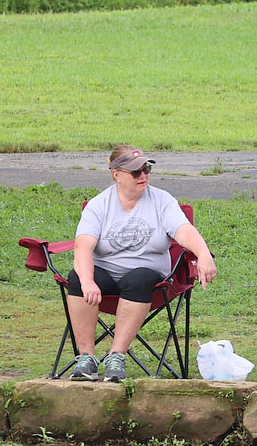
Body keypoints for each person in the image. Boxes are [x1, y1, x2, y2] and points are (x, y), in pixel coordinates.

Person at [67, 146, 216, 382]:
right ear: (116, 174)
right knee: (76, 278)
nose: (144, 176)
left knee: (138, 279)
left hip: (149, 280)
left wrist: (203, 253)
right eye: (136, 172)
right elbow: (83, 247)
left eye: (146, 169)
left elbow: (184, 230)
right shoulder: (99, 205)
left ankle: (117, 355)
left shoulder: (162, 200)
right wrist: (86, 280)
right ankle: (86, 357)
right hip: (106, 274)